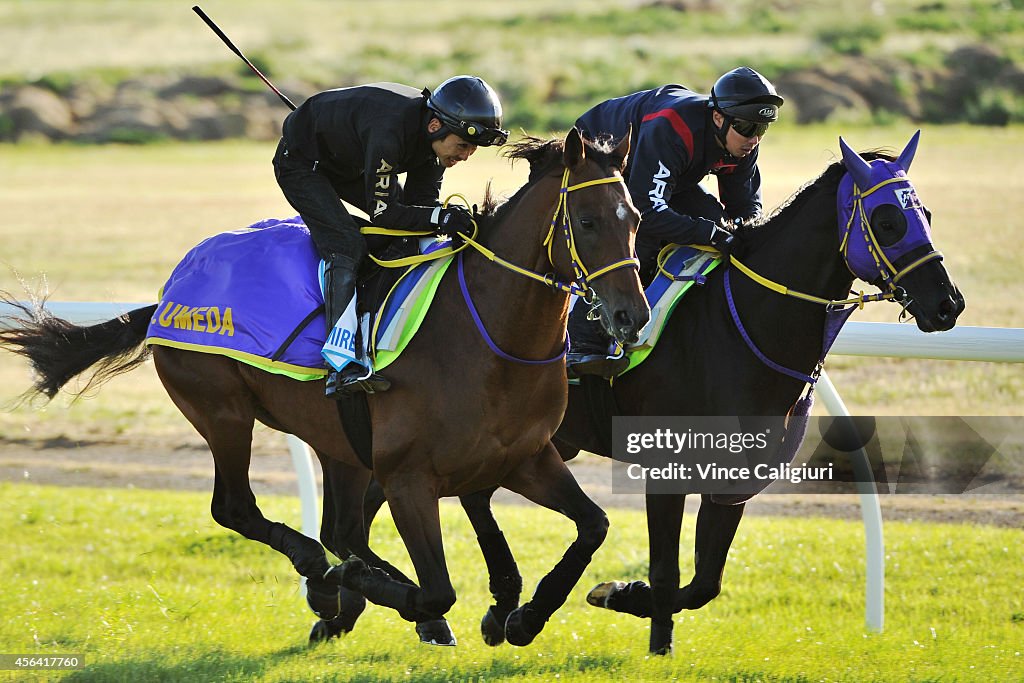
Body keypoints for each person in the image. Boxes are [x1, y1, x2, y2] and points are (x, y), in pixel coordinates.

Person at [273, 76, 508, 396]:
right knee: (346, 245)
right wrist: (440, 217)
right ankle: (340, 365)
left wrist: (449, 220)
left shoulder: (432, 143)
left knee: (407, 234)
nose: (466, 156)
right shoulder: (390, 131)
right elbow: (386, 212)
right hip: (303, 164)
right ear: (435, 125)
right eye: (464, 145)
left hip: (346, 160)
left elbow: (419, 211)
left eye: (473, 149)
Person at [565, 66, 784, 378]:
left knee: (717, 223)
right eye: (748, 127)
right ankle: (583, 344)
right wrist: (708, 233)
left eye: (762, 129)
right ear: (718, 118)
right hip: (603, 152)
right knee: (634, 239)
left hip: (663, 170)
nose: (754, 138)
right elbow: (647, 210)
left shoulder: (743, 143)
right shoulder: (674, 128)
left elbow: (744, 212)